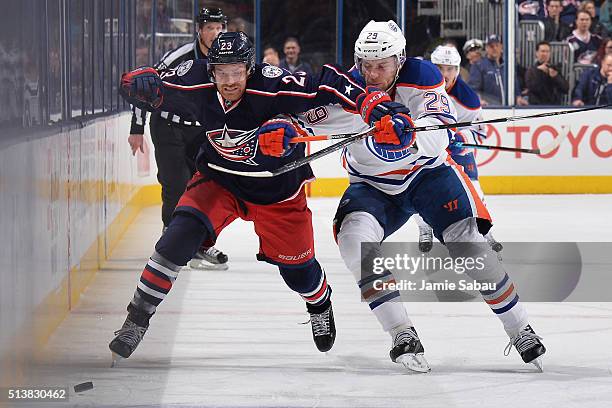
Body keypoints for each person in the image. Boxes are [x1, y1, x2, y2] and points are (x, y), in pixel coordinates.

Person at [296, 21, 546, 372]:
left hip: (429, 176)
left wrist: (405, 135)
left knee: (469, 246)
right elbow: (299, 122)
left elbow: (438, 140)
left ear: (399, 60)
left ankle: (520, 328)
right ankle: (401, 332)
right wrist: (280, 132)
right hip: (372, 186)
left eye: (381, 64)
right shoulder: (346, 86)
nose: (371, 73)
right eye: (365, 64)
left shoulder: (423, 75)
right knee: (353, 241)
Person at [109, 31, 368, 362]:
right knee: (176, 240)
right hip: (221, 180)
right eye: (222, 72)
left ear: (250, 68)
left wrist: (375, 106)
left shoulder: (275, 83)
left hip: (278, 192)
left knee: (299, 272)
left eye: (237, 72)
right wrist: (134, 84)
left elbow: (328, 84)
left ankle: (319, 302)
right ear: (211, 70)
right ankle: (136, 319)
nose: (229, 81)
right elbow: (153, 89)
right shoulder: (195, 79)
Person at [129, 7, 229, 270]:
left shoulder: (229, 60)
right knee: (176, 184)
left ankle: (198, 243)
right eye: (210, 28)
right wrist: (136, 128)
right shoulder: (179, 57)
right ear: (199, 30)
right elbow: (145, 85)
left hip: (199, 131)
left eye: (220, 28)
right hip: (168, 127)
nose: (216, 34)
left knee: (205, 185)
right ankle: (171, 242)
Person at [411, 45, 502, 255]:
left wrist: (460, 137)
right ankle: (425, 228)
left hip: (456, 151)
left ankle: (483, 230)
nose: (445, 74)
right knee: (413, 188)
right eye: (440, 68)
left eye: (450, 69)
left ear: (458, 70)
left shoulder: (468, 99)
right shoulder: (418, 88)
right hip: (427, 147)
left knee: (475, 190)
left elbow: (479, 133)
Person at [468, 35, 528, 106]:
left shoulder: (508, 66)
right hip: (489, 109)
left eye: (497, 45)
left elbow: (515, 86)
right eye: (491, 46)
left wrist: (518, 98)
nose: (495, 48)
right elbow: (473, 88)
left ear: (501, 47)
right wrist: (478, 99)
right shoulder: (479, 66)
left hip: (509, 108)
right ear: (486, 48)